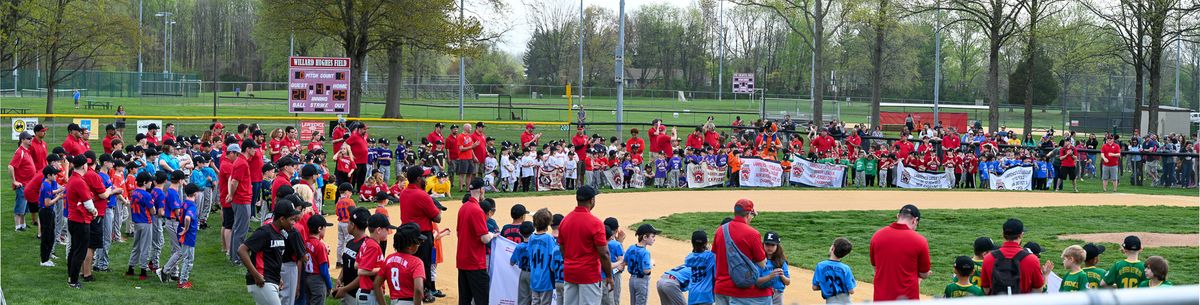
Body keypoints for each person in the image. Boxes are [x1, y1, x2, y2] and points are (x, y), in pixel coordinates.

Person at [560, 185, 615, 305]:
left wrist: (570, 262)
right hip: (589, 274)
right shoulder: (595, 223)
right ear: (592, 200)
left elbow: (562, 248)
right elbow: (604, 253)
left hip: (570, 272)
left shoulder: (565, 220)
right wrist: (609, 276)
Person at [239, 202, 302, 305]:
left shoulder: (281, 234)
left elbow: (273, 259)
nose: (293, 223)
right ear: (282, 219)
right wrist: (256, 275)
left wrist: (278, 277)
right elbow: (242, 250)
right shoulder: (264, 232)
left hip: (272, 281)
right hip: (262, 281)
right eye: (291, 219)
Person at [712, 199, 773, 305]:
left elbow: (715, 257)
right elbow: (762, 264)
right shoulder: (753, 234)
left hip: (721, 288)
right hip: (741, 291)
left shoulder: (720, 231)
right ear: (748, 214)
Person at [868, 204, 930, 301]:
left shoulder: (877, 236)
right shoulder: (920, 241)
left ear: (898, 216)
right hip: (908, 298)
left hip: (881, 298)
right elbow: (924, 274)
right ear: (915, 220)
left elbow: (876, 267)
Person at [399, 166, 443, 298]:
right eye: (424, 177)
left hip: (406, 232)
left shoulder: (404, 193)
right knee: (424, 263)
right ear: (418, 179)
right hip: (422, 234)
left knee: (409, 262)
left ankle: (410, 288)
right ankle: (425, 291)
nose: (426, 179)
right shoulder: (422, 195)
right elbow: (437, 218)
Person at [457, 178, 497, 305]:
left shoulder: (463, 208)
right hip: (475, 261)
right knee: (481, 298)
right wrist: (492, 234)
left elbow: (459, 233)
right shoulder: (477, 210)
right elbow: (484, 238)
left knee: (464, 298)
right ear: (481, 190)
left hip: (462, 260)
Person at [980, 218, 1046, 295]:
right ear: (1021, 235)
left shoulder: (988, 258)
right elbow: (1038, 290)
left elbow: (986, 289)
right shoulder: (1032, 259)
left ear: (1003, 234)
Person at [65, 155, 96, 288]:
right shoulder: (79, 181)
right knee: (80, 251)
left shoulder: (73, 178)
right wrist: (94, 210)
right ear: (84, 166)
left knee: (74, 249)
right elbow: (87, 202)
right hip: (80, 220)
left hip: (73, 219)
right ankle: (73, 281)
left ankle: (71, 276)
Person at [163, 184, 199, 289]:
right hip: (188, 235)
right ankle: (183, 282)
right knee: (188, 259)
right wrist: (187, 229)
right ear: (195, 193)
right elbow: (188, 217)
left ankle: (182, 279)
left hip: (182, 232)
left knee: (185, 256)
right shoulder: (192, 205)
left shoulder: (184, 203)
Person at [383, 223, 428, 305]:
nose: (419, 245)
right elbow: (418, 289)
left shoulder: (389, 259)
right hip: (409, 301)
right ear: (410, 246)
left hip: (394, 301)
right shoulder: (416, 262)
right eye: (418, 242)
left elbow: (376, 283)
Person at [356, 213, 396, 305]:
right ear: (378, 230)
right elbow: (361, 271)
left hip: (365, 293)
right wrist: (382, 269)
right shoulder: (373, 246)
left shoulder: (366, 242)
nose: (388, 232)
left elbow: (356, 264)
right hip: (370, 294)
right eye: (387, 229)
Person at [526, 208, 561, 305]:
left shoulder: (531, 237)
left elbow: (529, 253)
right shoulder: (549, 238)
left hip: (534, 276)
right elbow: (553, 255)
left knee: (535, 301)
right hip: (546, 277)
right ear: (548, 224)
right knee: (545, 302)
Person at [227, 143, 255, 265]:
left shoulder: (240, 161)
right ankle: (238, 258)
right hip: (242, 199)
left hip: (241, 199)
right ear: (248, 149)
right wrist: (232, 195)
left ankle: (234, 257)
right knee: (241, 230)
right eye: (253, 148)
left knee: (237, 229)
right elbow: (234, 182)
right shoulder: (242, 163)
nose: (255, 150)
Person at [126, 172, 156, 280]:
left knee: (136, 246)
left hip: (137, 222)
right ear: (144, 182)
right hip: (146, 222)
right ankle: (143, 270)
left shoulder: (134, 192)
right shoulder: (147, 195)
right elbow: (153, 211)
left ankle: (131, 268)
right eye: (149, 181)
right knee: (145, 247)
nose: (151, 183)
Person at [625, 224, 661, 305]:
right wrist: (651, 263)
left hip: (632, 280)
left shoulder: (631, 248)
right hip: (642, 281)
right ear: (645, 237)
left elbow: (626, 262)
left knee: (633, 303)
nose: (654, 239)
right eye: (652, 236)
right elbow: (646, 270)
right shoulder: (645, 252)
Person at [9, 131, 36, 232]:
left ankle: (23, 225)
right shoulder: (20, 152)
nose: (31, 140)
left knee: (24, 207)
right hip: (22, 184)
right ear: (22, 140)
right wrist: (14, 181)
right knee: (20, 206)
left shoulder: (26, 151)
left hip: (28, 184)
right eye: (28, 139)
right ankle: (18, 227)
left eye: (31, 139)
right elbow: (11, 166)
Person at [684, 230, 715, 305]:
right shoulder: (710, 256)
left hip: (693, 294)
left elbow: (695, 256)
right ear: (705, 243)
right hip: (705, 295)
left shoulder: (688, 258)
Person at [761, 232, 791, 305]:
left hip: (777, 294)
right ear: (763, 244)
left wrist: (782, 275)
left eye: (773, 245)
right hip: (762, 293)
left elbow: (788, 282)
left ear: (777, 246)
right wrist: (770, 276)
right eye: (767, 244)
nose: (769, 247)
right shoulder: (759, 261)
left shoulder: (781, 261)